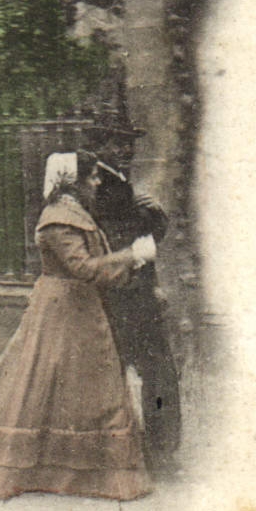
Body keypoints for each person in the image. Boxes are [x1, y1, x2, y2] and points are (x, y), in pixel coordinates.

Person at [0, 151, 155, 500]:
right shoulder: (59, 218)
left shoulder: (73, 214)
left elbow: (92, 269)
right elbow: (84, 268)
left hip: (79, 309)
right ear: (72, 182)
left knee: (78, 385)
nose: (96, 183)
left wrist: (127, 262)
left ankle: (68, 470)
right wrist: (132, 255)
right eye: (91, 177)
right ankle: (14, 465)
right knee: (39, 383)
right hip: (62, 311)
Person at [82, 118, 180, 475]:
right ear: (102, 146)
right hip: (129, 294)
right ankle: (158, 450)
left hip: (127, 290)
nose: (127, 150)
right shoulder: (110, 187)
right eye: (119, 143)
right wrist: (154, 215)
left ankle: (140, 450)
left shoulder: (115, 182)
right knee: (155, 371)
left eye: (130, 143)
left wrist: (153, 215)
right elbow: (135, 241)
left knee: (132, 370)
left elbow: (144, 240)